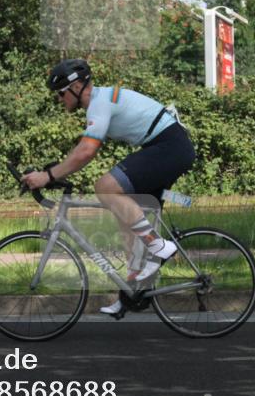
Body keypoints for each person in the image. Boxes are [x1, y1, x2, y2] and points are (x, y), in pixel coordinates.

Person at [20, 58, 196, 316]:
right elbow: (81, 151)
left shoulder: (99, 104)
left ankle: (158, 245)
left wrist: (48, 176)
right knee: (125, 212)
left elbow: (86, 151)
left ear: (77, 86)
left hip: (170, 147)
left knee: (105, 187)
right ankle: (132, 291)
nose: (59, 99)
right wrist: (54, 173)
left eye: (60, 93)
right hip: (164, 147)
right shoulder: (101, 101)